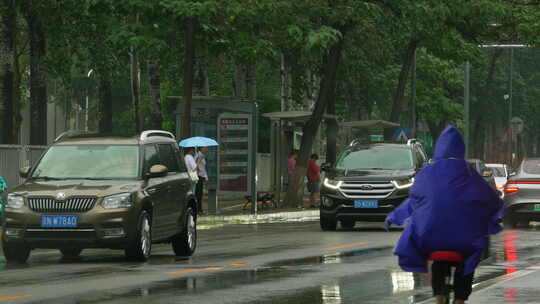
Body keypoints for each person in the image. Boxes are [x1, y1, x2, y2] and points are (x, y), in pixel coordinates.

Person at [385, 126, 504, 304]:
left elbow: (414, 201)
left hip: (430, 237)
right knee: (469, 258)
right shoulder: (469, 172)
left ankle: (439, 296)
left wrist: (393, 217)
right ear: (460, 149)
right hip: (464, 240)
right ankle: (460, 299)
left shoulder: (426, 172)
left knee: (433, 255)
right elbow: (489, 198)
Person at [195, 146, 209, 215]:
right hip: (199, 176)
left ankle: (199, 209)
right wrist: (197, 169)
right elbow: (196, 164)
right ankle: (199, 210)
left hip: (201, 176)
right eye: (205, 147)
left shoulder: (201, 155)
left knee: (199, 194)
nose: (207, 148)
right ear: (202, 148)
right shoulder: (199, 155)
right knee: (199, 194)